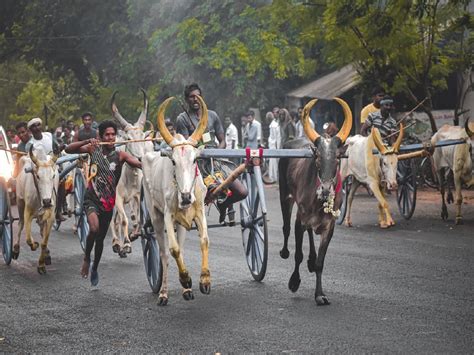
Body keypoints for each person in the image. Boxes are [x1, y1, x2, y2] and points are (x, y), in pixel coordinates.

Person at [65, 120, 142, 286]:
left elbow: (137, 163)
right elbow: (68, 149)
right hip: (91, 198)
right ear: (100, 136)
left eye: (113, 134)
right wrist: (87, 141)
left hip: (108, 204)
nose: (111, 137)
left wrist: (150, 165)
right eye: (107, 134)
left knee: (99, 240)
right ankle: (86, 259)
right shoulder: (93, 150)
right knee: (94, 228)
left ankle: (95, 267)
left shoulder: (121, 155)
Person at [176, 83, 247, 225]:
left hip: (216, 161)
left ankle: (224, 204)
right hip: (196, 163)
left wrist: (215, 153)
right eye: (191, 97)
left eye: (197, 96)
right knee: (208, 189)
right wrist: (200, 151)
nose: (195, 100)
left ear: (201, 97)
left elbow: (222, 141)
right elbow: (186, 147)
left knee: (242, 192)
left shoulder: (212, 115)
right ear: (186, 100)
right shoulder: (182, 119)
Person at [267, 112, 281, 183]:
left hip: (273, 146)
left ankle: (274, 177)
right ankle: (273, 177)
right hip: (272, 146)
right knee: (272, 163)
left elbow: (276, 138)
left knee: (274, 163)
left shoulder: (274, 126)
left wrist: (277, 148)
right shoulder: (273, 125)